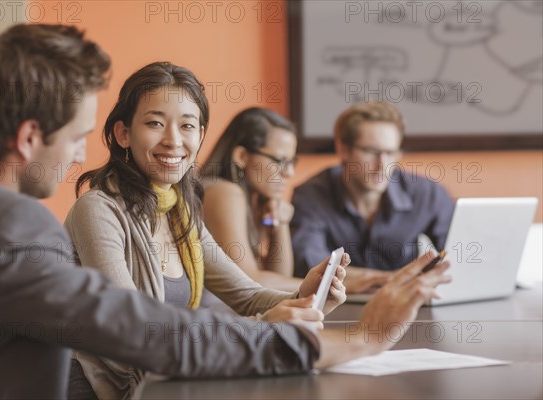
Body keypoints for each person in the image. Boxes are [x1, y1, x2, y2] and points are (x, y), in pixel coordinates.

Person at [0, 23, 451, 400]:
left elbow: (235, 297)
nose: (80, 155)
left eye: (188, 126)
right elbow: (138, 331)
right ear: (30, 137)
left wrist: (300, 296)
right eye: (77, 138)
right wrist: (358, 339)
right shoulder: (12, 225)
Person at [65, 65, 348, 399]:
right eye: (155, 123)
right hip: (102, 389)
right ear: (124, 133)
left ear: (200, 135)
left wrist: (308, 298)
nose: (173, 140)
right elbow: (131, 328)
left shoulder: (180, 213)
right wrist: (262, 327)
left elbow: (248, 295)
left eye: (187, 125)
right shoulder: (98, 209)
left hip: (167, 381)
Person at [291, 101, 455, 294]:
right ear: (343, 149)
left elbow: (458, 256)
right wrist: (387, 279)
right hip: (333, 311)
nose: (382, 164)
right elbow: (309, 265)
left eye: (391, 152)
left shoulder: (426, 193)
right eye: (371, 152)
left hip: (403, 307)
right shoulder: (311, 195)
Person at [201, 107, 301, 292]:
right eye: (280, 161)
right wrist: (325, 285)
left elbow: (280, 281)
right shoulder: (223, 191)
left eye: (292, 162)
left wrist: (281, 224)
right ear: (242, 156)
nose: (289, 173)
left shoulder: (257, 200)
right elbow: (248, 282)